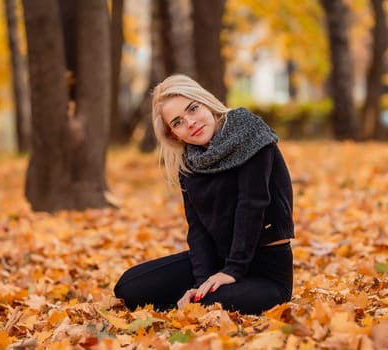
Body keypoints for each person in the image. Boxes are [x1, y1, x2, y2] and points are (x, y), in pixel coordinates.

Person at [113, 74, 294, 315]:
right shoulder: (190, 161)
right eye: (177, 122)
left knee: (206, 305)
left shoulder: (249, 133)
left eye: (193, 108)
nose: (190, 122)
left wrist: (232, 271)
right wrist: (202, 281)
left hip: (266, 272)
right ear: (173, 135)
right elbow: (197, 227)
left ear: (206, 102)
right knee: (129, 288)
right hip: (219, 261)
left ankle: (190, 304)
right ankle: (189, 301)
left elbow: (252, 205)